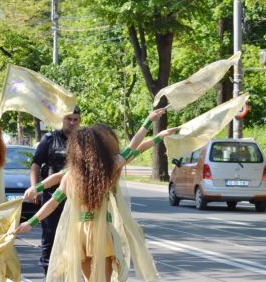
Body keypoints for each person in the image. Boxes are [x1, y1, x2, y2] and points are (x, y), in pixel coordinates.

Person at [17, 109, 174, 282]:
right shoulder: (107, 169)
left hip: (79, 234)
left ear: (75, 151)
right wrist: (150, 123)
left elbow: (53, 202)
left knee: (88, 279)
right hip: (101, 231)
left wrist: (30, 221)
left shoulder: (72, 175)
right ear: (98, 147)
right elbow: (133, 148)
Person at [29, 106, 80, 274]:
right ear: (62, 120)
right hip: (52, 194)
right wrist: (34, 188)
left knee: (73, 237)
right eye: (68, 119)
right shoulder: (49, 139)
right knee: (50, 236)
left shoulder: (82, 140)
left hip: (75, 197)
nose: (72, 123)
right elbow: (35, 165)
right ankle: (48, 271)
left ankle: (68, 272)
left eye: (75, 120)